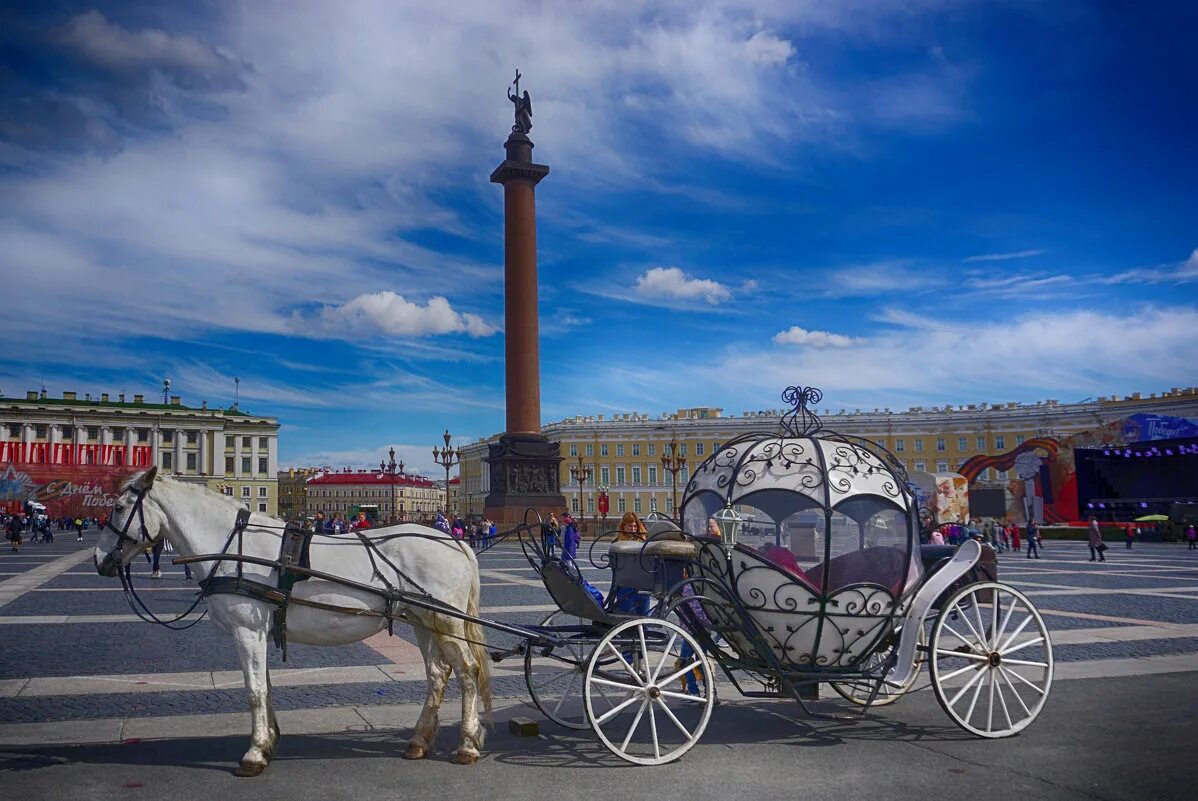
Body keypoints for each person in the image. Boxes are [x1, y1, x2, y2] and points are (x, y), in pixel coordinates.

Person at [612, 511, 650, 615]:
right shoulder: (617, 542)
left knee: (644, 616)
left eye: (634, 526)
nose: (633, 529)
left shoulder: (643, 541)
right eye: (629, 526)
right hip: (625, 584)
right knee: (626, 615)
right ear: (623, 526)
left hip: (642, 584)